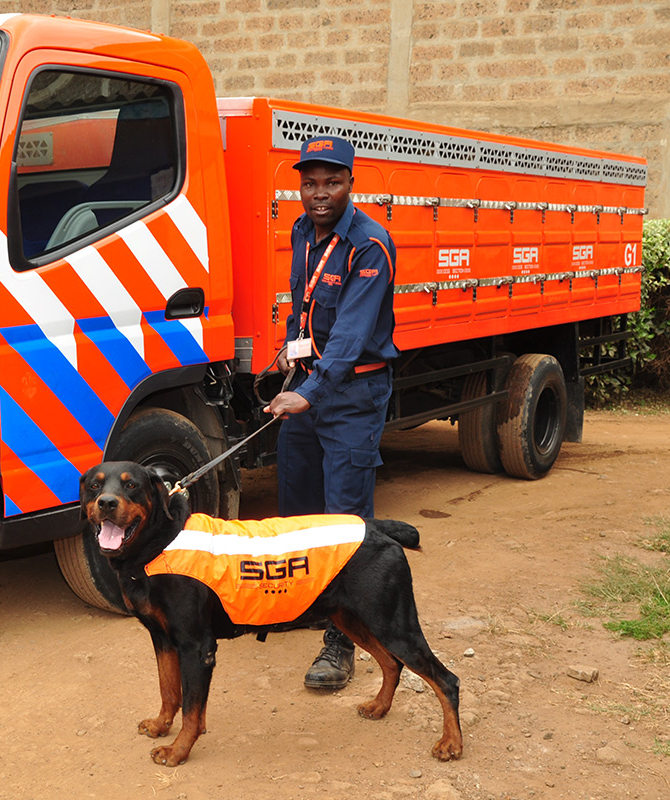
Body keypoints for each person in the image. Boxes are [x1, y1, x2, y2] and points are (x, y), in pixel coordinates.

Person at [263, 135, 398, 691]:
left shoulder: (370, 245)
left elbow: (349, 337)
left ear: (350, 183)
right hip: (309, 387)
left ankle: (342, 641)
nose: (319, 194)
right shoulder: (302, 232)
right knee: (299, 510)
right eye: (310, 183)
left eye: (332, 182)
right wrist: (285, 369)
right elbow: (306, 310)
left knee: (345, 522)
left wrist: (310, 391)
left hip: (352, 398)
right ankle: (310, 605)